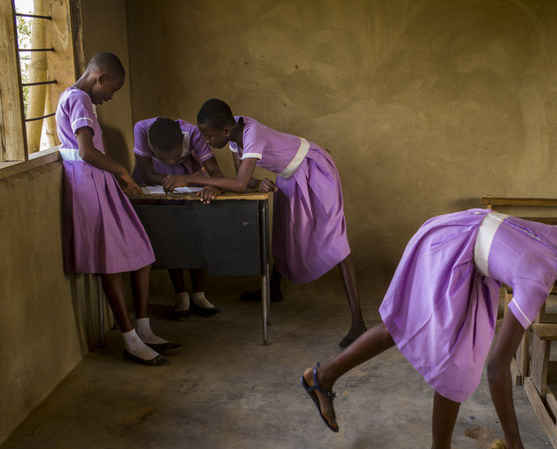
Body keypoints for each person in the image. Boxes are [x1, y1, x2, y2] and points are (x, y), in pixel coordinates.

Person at [300, 209, 557, 449]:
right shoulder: (537, 281)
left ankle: (322, 376)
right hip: (450, 247)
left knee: (422, 334)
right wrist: (513, 438)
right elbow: (497, 368)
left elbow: (523, 256)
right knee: (457, 361)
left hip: (468, 242)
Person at [166, 98, 367, 348]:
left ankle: (358, 323)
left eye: (208, 136)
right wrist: (246, 183)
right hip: (289, 175)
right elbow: (245, 183)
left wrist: (191, 180)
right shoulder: (233, 134)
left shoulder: (252, 135)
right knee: (283, 234)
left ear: (225, 131)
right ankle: (274, 289)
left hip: (313, 169)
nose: (205, 142)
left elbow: (238, 184)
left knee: (334, 238)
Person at [57, 52, 178, 366]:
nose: (111, 96)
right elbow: (85, 151)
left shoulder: (79, 99)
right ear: (100, 78)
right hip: (89, 184)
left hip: (100, 182)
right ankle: (130, 340)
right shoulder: (80, 99)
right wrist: (122, 171)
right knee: (110, 265)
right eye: (113, 88)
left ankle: (143, 327)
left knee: (141, 252)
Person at [132, 116, 223, 319]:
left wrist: (210, 184)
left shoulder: (193, 134)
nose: (171, 162)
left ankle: (199, 293)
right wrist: (169, 179)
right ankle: (181, 294)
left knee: (194, 231)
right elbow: (146, 173)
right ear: (152, 147)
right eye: (165, 159)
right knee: (169, 232)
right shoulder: (141, 129)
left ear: (182, 144)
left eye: (174, 157)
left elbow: (215, 171)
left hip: (189, 177)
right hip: (155, 181)